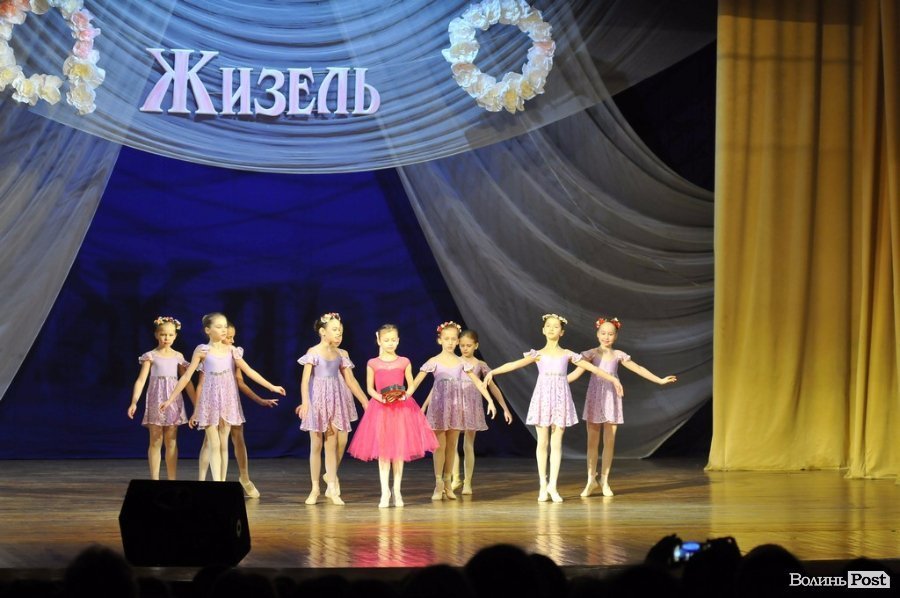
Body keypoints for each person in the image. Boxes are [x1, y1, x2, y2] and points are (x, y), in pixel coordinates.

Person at [483, 314, 623, 503]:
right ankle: (543, 485)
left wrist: (613, 379)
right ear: (543, 330)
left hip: (560, 399)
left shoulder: (567, 354)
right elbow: (514, 364)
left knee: (556, 444)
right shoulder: (537, 354)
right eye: (548, 326)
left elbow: (594, 369)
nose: (551, 329)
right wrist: (493, 371)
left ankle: (553, 486)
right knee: (542, 442)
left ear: (562, 332)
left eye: (556, 326)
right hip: (543, 398)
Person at [161, 312, 285, 482]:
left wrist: (271, 387)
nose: (224, 330)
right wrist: (170, 399)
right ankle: (216, 483)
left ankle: (222, 483)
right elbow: (186, 377)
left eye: (225, 326)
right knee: (214, 444)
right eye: (219, 327)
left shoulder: (232, 351)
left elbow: (249, 371)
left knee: (224, 445)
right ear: (208, 330)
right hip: (210, 400)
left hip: (227, 399)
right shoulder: (203, 350)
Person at [568, 317, 677, 497]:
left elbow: (638, 368)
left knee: (609, 441)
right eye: (603, 333)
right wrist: (554, 381)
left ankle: (605, 480)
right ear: (597, 334)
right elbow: (576, 373)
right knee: (592, 442)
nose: (606, 337)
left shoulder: (618, 355)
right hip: (595, 397)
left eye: (610, 334)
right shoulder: (591, 354)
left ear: (616, 336)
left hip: (612, 397)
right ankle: (590, 480)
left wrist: (659, 380)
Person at [347, 323, 439, 508]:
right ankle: (384, 492)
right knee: (383, 452)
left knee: (398, 452)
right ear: (379, 341)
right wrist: (380, 398)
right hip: (381, 410)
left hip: (401, 410)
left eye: (393, 340)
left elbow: (411, 385)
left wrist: (405, 395)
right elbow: (369, 388)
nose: (390, 343)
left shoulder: (404, 361)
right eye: (386, 340)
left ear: (398, 340)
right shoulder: (373, 363)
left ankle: (397, 491)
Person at [407, 321, 496, 501]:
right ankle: (438, 483)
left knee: (451, 446)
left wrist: (490, 401)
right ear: (440, 340)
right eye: (446, 339)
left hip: (455, 408)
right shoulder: (434, 361)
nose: (450, 342)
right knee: (439, 447)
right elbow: (415, 383)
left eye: (453, 339)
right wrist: (404, 396)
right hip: (439, 409)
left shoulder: (461, 362)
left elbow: (479, 383)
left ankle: (448, 483)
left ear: (457, 341)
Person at [196, 321, 279, 498]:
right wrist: (198, 409)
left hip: (229, 402)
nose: (232, 340)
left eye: (233, 337)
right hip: (212, 402)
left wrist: (261, 399)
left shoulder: (232, 353)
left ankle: (244, 478)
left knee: (237, 436)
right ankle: (204, 481)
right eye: (228, 337)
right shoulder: (208, 353)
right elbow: (201, 384)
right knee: (209, 442)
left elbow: (241, 381)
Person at [295, 313, 369, 505]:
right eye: (335, 330)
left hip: (335, 401)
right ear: (323, 331)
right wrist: (305, 402)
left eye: (340, 331)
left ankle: (332, 487)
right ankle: (314, 488)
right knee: (316, 445)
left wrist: (364, 401)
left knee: (332, 444)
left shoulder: (341, 354)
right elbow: (305, 380)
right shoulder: (313, 352)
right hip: (317, 402)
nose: (338, 334)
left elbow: (350, 381)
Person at [443, 329, 513, 495]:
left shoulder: (480, 365)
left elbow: (492, 387)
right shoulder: (454, 361)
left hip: (472, 406)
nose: (465, 348)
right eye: (462, 345)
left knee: (468, 444)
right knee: (452, 444)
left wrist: (505, 408)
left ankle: (467, 482)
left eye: (468, 345)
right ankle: (455, 478)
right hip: (455, 404)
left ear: (476, 345)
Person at [128, 316, 195, 480]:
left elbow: (187, 382)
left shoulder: (178, 356)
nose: (167, 338)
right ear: (156, 335)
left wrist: (196, 404)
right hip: (155, 400)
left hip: (173, 399)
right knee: (155, 440)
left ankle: (172, 479)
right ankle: (155, 479)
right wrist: (134, 402)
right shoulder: (151, 356)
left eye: (171, 335)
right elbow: (141, 380)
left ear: (175, 336)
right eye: (163, 334)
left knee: (171, 440)